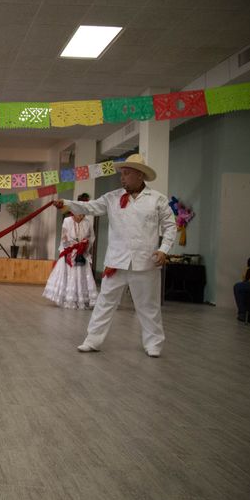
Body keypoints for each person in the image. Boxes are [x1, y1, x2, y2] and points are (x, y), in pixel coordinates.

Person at [53, 153, 177, 358]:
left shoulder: (158, 200)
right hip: (116, 261)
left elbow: (170, 227)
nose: (122, 178)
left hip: (146, 262)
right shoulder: (112, 197)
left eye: (126, 173)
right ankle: (92, 340)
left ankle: (154, 343)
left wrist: (164, 249)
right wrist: (66, 203)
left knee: (148, 306)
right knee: (104, 303)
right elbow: (88, 207)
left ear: (140, 175)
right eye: (122, 174)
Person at [43, 193, 97, 309]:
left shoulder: (88, 222)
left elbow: (91, 237)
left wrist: (84, 245)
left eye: (84, 213)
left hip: (81, 253)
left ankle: (81, 299)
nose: (81, 216)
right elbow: (64, 237)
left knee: (81, 275)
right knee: (69, 274)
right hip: (69, 252)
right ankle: (66, 299)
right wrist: (71, 247)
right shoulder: (67, 221)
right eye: (79, 212)